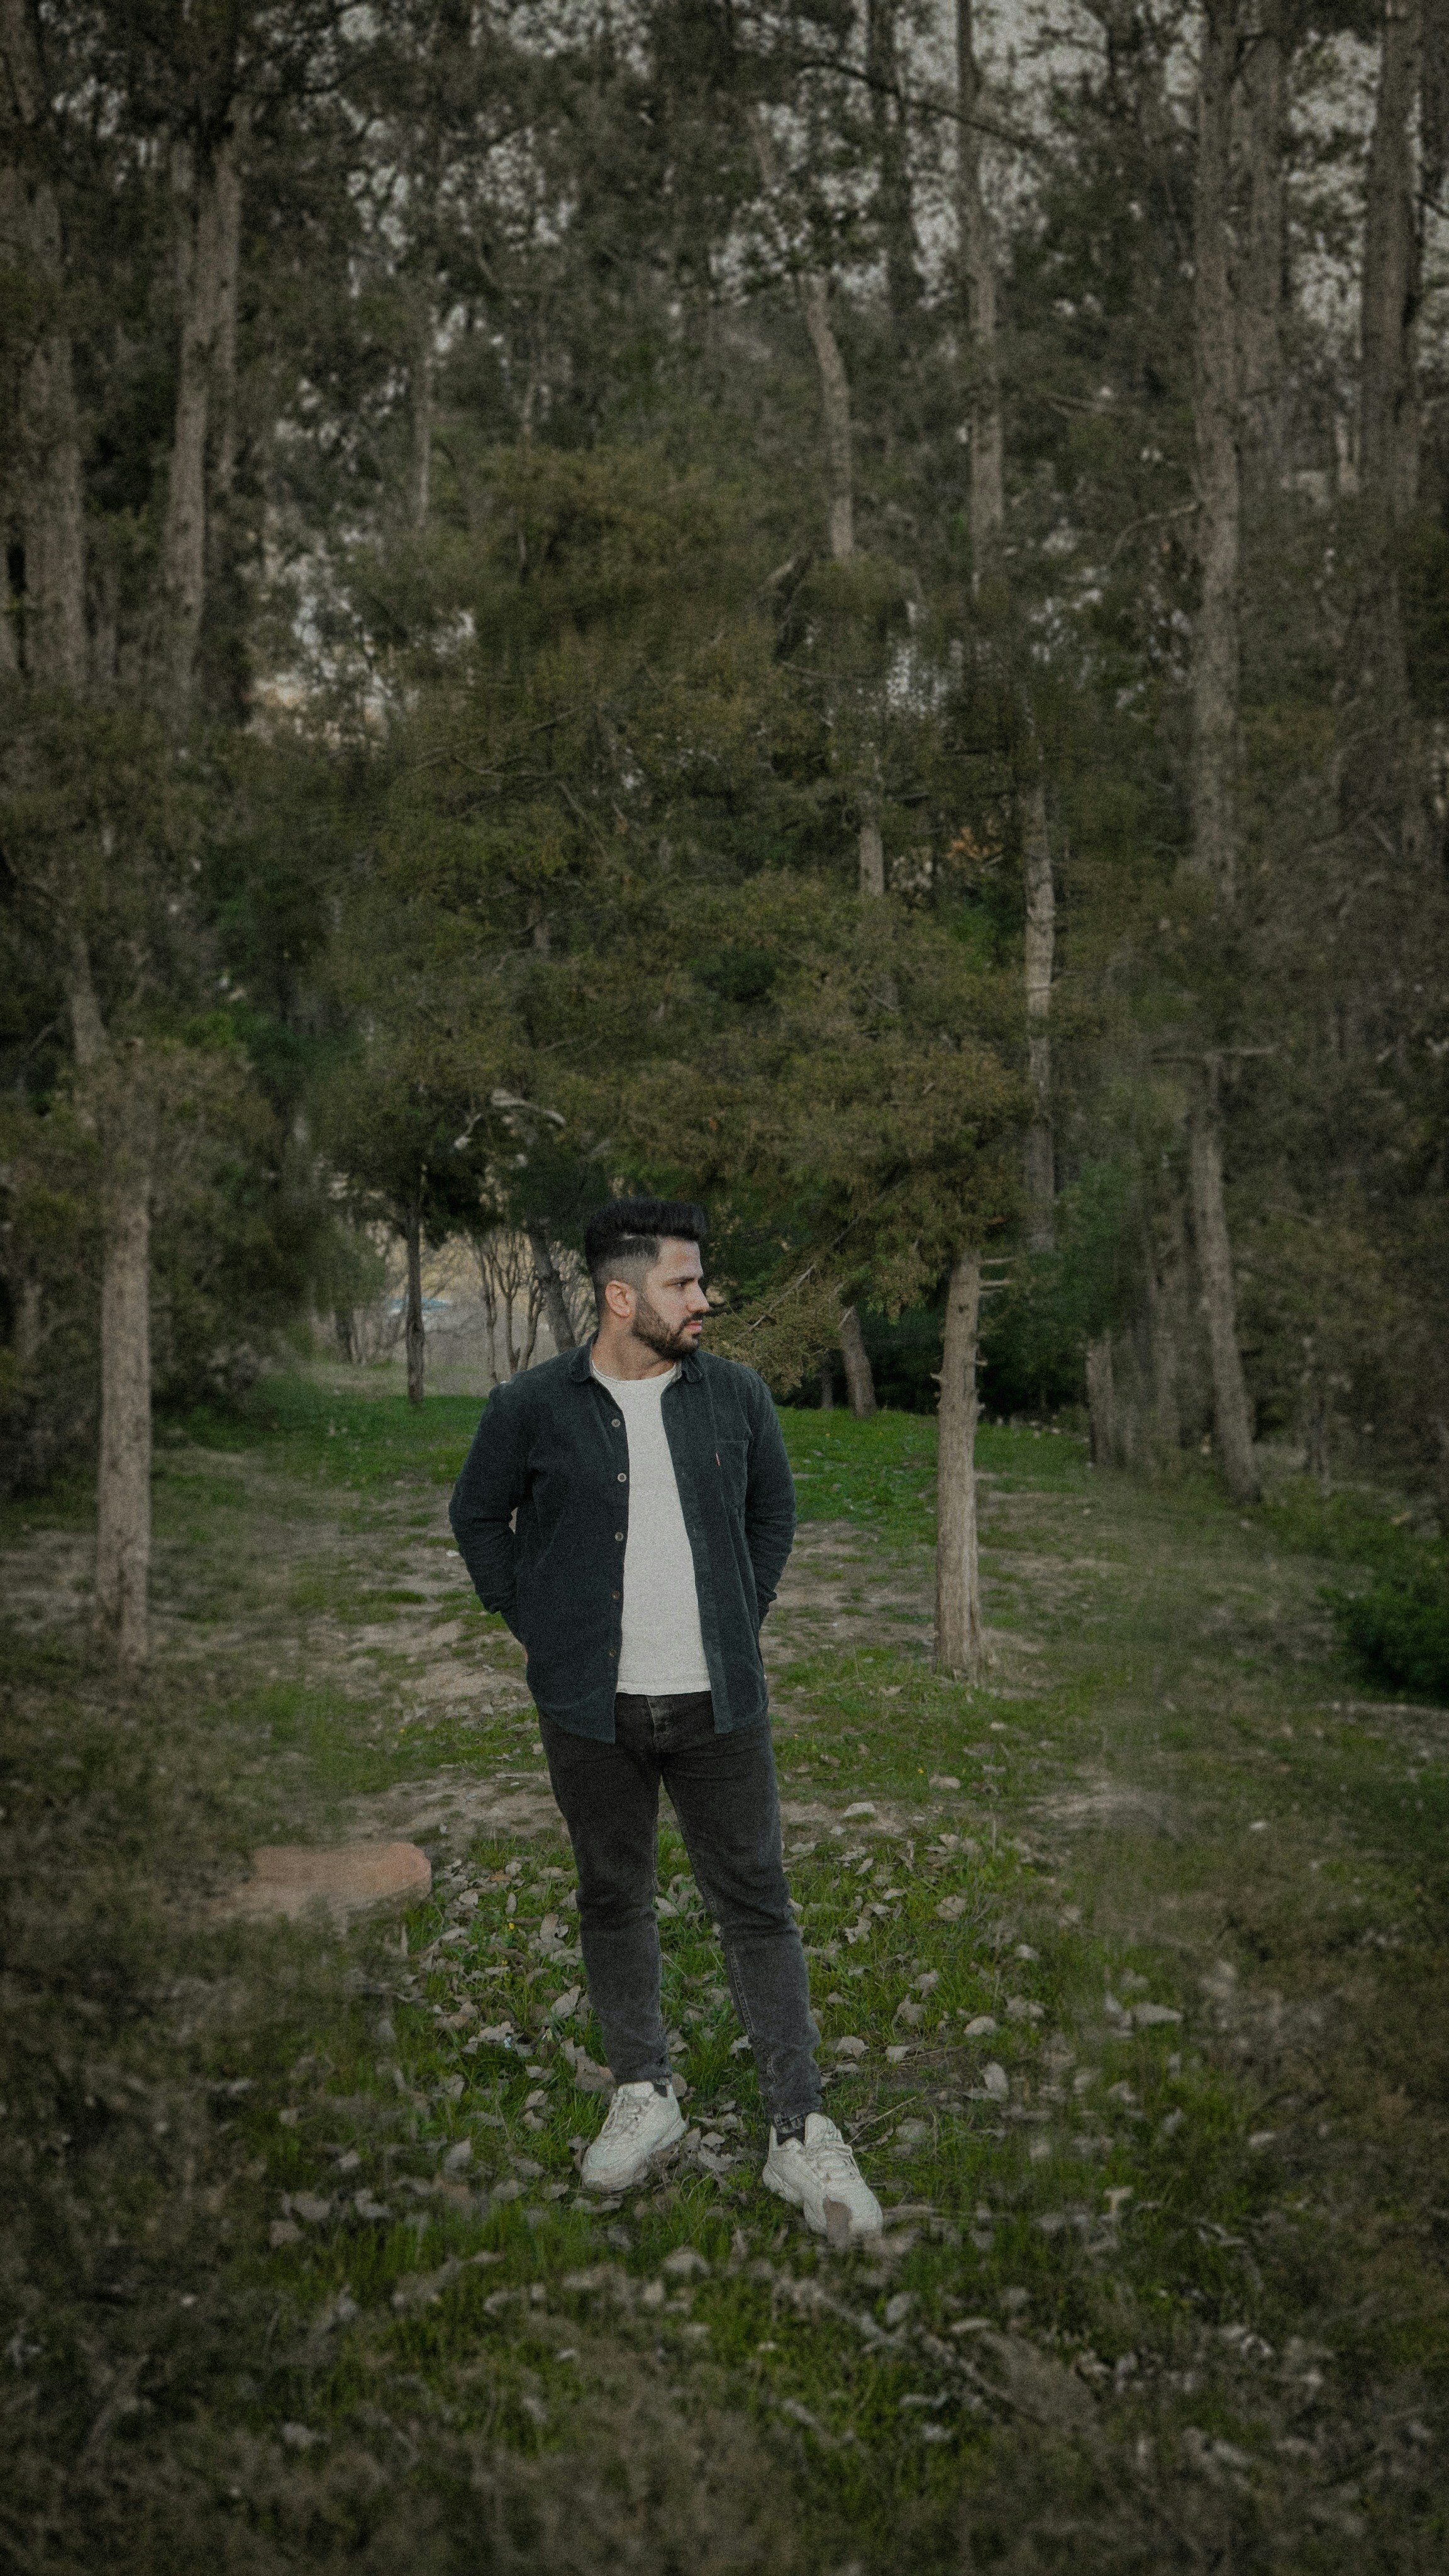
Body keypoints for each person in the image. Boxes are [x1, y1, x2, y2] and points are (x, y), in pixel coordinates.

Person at [448, 1196, 882, 2240]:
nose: (705, 1299)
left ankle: (799, 2127)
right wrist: (539, 1625)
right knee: (614, 1896)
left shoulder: (734, 1396)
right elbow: (478, 1516)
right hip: (589, 1710)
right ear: (619, 1295)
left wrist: (743, 1612)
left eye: (701, 1281)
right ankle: (643, 2094)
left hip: (717, 1705)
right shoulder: (531, 1406)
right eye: (684, 1283)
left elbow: (772, 1514)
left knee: (756, 1903)